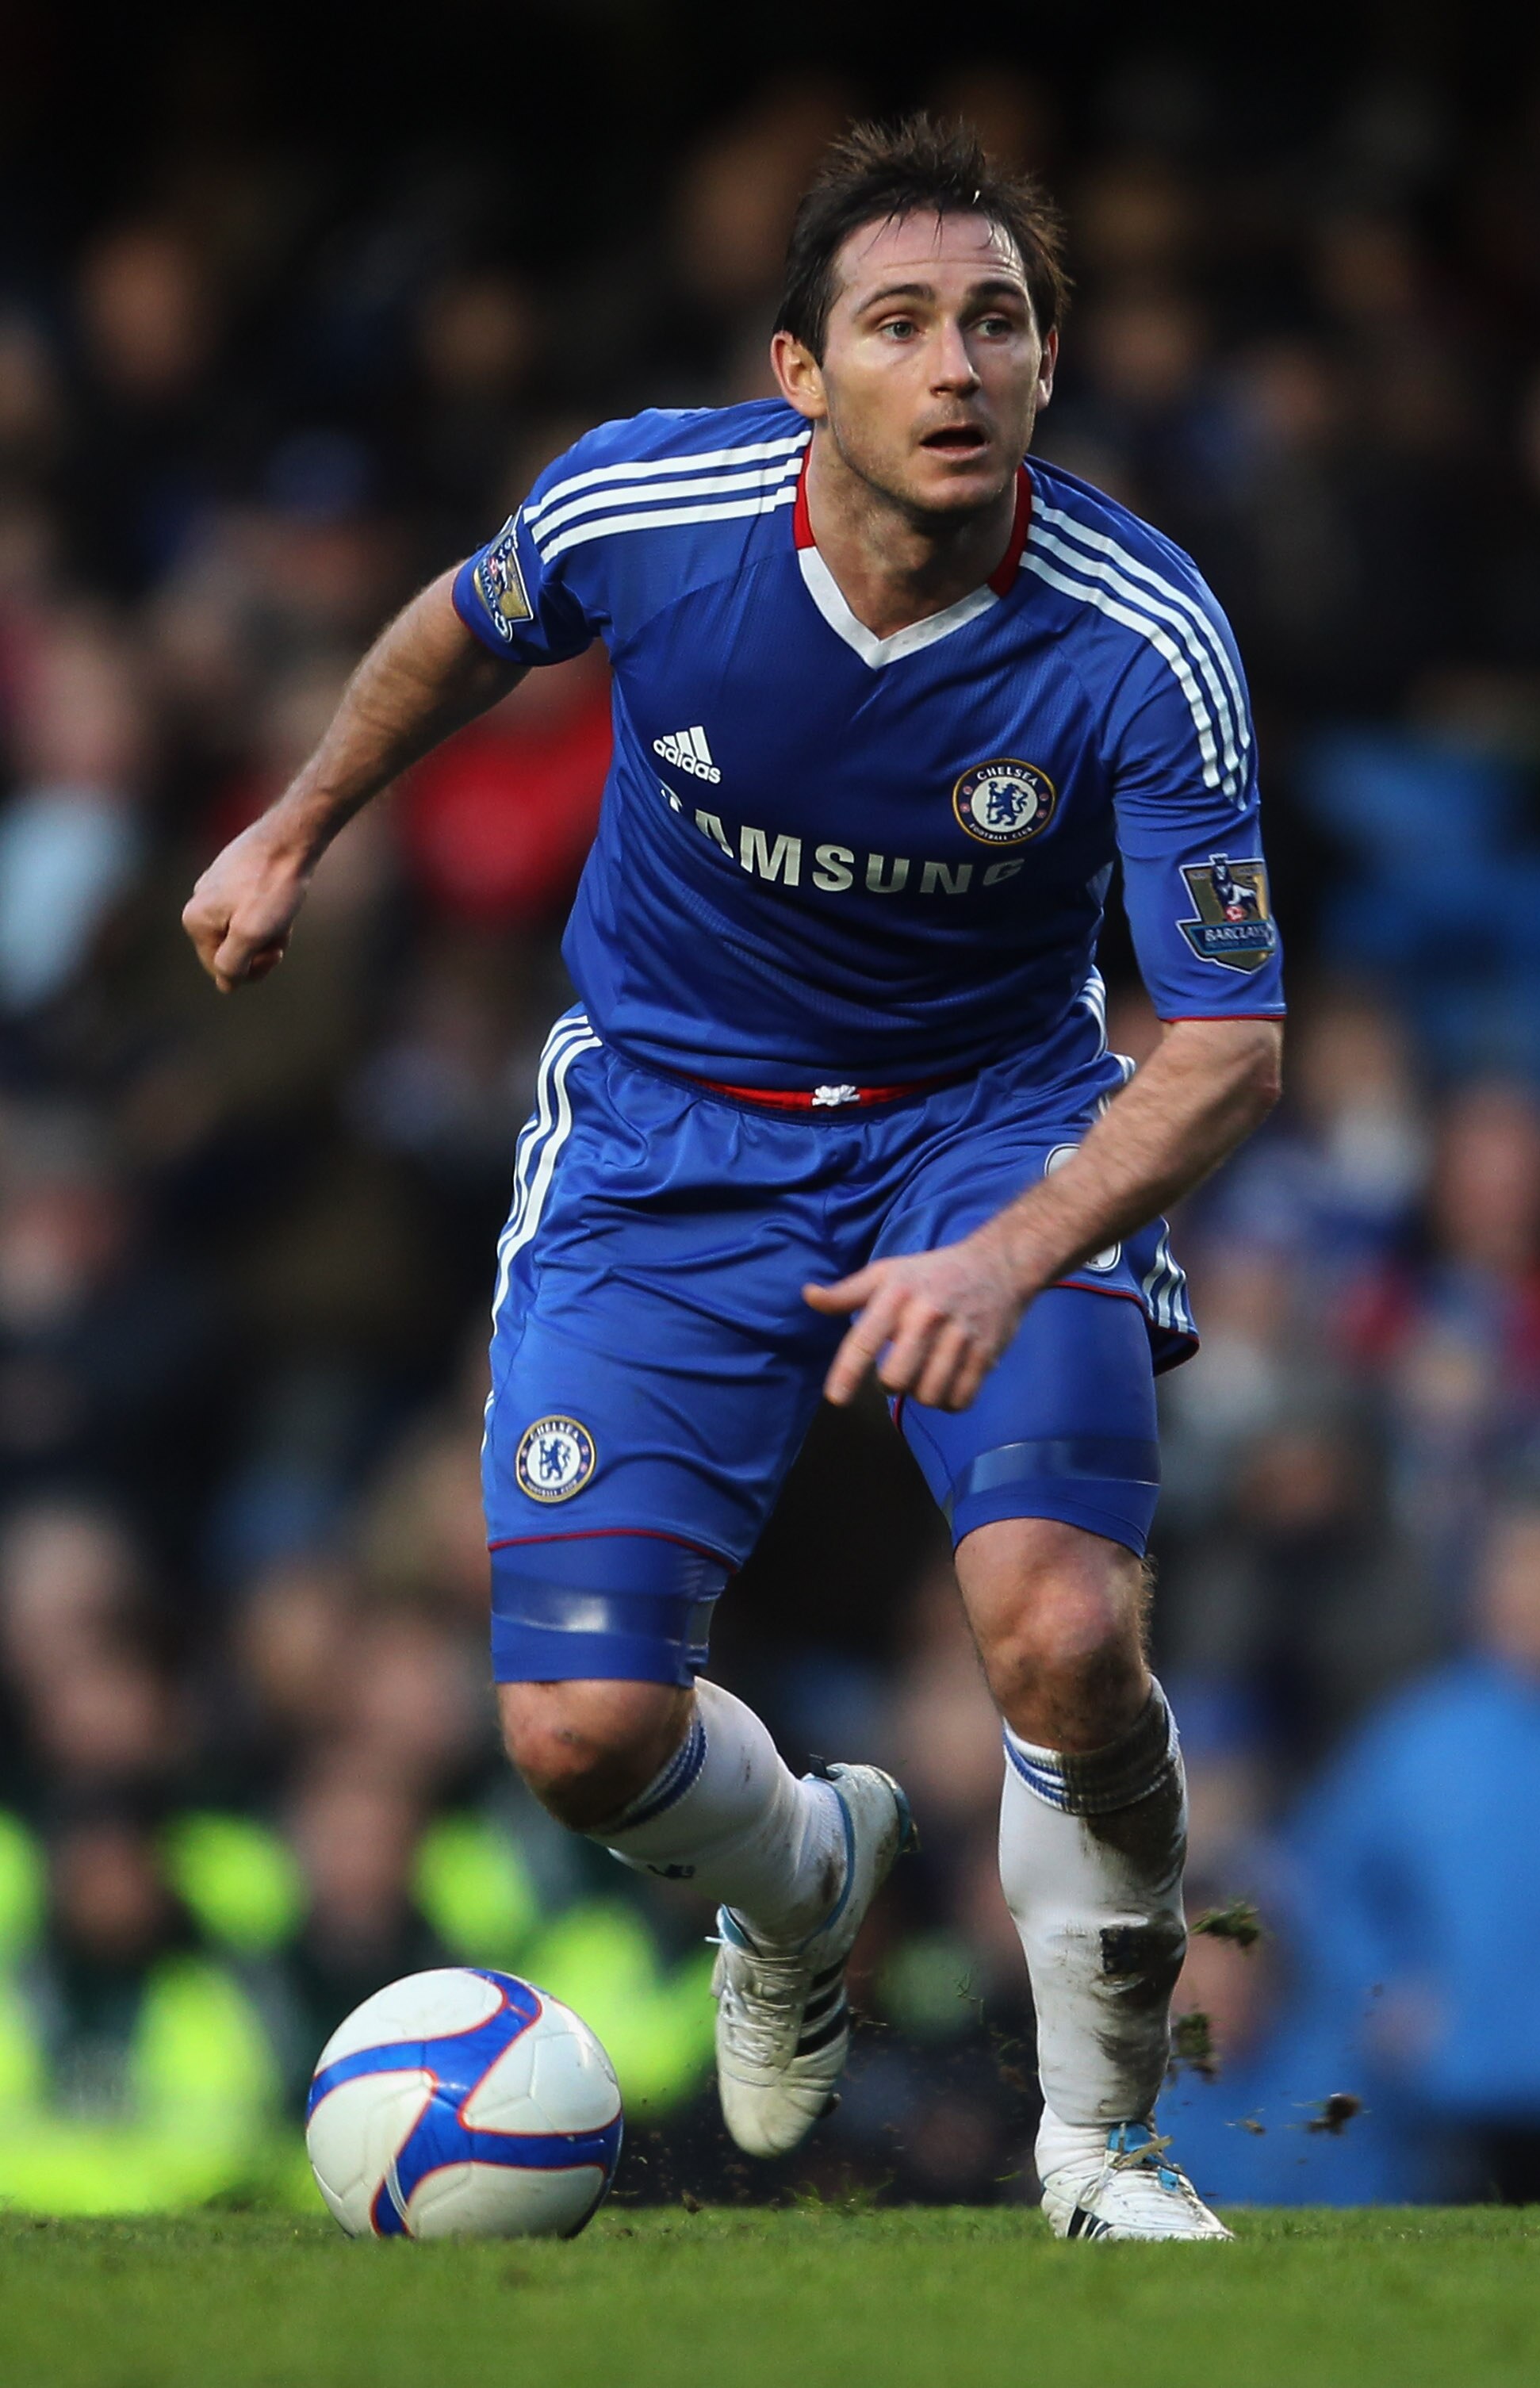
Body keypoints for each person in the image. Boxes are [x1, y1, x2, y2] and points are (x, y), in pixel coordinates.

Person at [182, 118, 1283, 2241]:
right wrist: (296, 823)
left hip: (994, 1125)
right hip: (669, 1128)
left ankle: (1102, 2147)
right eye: (901, 325)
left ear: (1049, 365)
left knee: (1058, 1633)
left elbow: (1225, 1043)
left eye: (1002, 323)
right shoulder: (648, 506)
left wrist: (1019, 1242)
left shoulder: (1141, 637)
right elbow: (457, 627)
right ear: (801, 373)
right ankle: (801, 1880)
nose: (958, 366)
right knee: (583, 1732)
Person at [1301, 1501, 1540, 2202]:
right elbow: (1329, 1877)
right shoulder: (1421, 1733)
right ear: (1482, 1594)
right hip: (1457, 2103)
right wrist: (1378, 1992)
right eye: (1522, 1571)